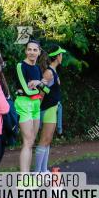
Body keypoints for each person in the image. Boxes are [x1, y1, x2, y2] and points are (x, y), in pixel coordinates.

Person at [14, 40, 50, 173]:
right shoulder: (20, 66)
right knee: (28, 141)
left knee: (31, 142)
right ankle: (24, 178)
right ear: (25, 51)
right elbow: (27, 91)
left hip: (36, 104)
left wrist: (38, 83)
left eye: (35, 50)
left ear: (39, 52)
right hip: (24, 103)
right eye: (29, 49)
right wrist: (40, 84)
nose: (32, 52)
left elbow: (47, 91)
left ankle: (27, 175)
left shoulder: (37, 68)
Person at [33, 44, 65, 173]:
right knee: (44, 140)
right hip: (47, 110)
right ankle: (37, 173)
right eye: (61, 54)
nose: (62, 56)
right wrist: (36, 112)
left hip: (52, 110)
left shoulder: (53, 71)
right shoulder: (49, 73)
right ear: (57, 57)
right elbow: (41, 94)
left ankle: (44, 170)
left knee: (48, 140)